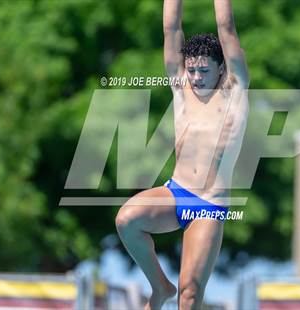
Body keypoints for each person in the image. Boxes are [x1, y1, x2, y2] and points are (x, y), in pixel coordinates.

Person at [115, 0, 249, 309]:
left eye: (204, 70)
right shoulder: (181, 87)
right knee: (127, 221)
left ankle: (175, 294)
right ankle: (160, 286)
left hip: (208, 204)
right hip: (176, 192)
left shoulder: (235, 89)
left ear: (222, 69)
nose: (197, 77)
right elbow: (171, 28)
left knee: (190, 294)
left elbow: (226, 27)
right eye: (192, 70)